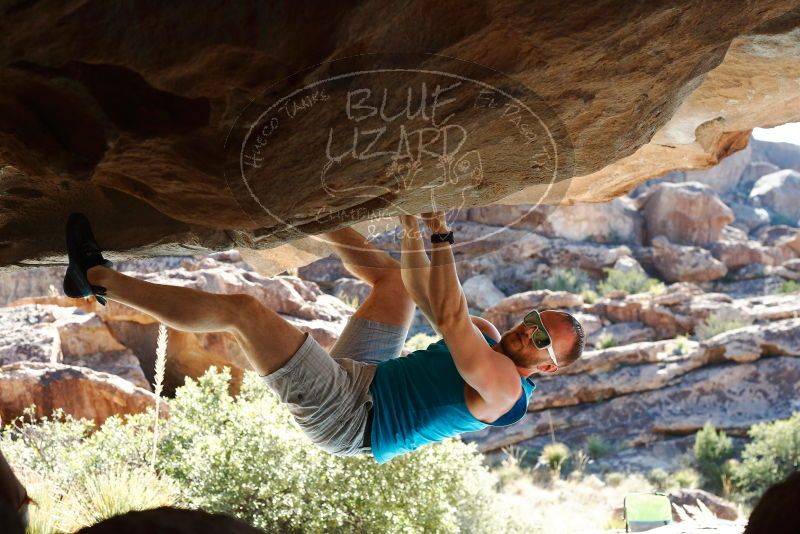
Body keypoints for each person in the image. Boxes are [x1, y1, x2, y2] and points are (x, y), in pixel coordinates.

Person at [63, 211, 584, 463]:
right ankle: (305, 213)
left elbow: (450, 315)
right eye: (536, 318)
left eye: (542, 339)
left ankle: (97, 279)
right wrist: (409, 228)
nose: (528, 330)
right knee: (393, 289)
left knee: (245, 312)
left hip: (352, 420)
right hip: (366, 377)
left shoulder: (503, 389)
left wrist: (441, 233)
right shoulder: (492, 337)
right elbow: (423, 293)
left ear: (549, 367)